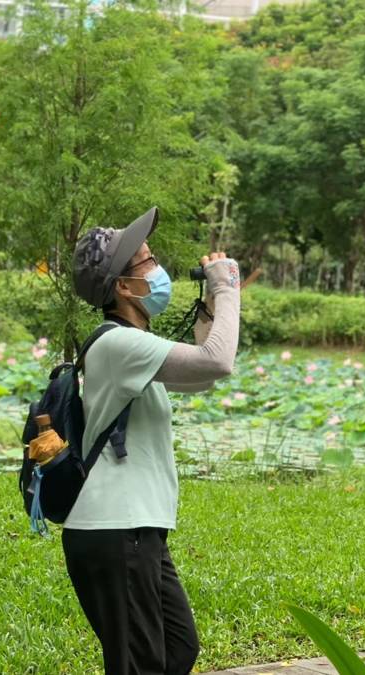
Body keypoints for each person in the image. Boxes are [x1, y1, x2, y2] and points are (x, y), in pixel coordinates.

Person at [66, 210, 242, 675]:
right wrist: (226, 287)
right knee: (142, 665)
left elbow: (201, 375)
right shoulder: (116, 346)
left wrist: (209, 303)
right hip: (113, 529)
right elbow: (218, 361)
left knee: (178, 650)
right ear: (124, 286)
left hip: (137, 531)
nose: (158, 268)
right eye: (148, 261)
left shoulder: (132, 345)